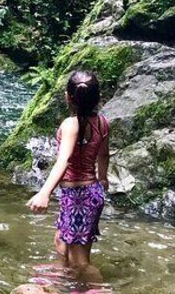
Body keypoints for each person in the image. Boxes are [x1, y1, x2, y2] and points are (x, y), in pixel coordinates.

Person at [26, 71, 110, 284]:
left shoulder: (70, 125)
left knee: (80, 261)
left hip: (78, 196)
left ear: (67, 97)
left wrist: (44, 192)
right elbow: (103, 153)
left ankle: (99, 288)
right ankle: (64, 280)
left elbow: (63, 161)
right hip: (89, 193)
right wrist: (103, 178)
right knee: (60, 241)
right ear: (98, 97)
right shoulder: (102, 122)